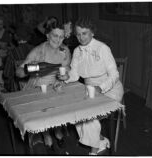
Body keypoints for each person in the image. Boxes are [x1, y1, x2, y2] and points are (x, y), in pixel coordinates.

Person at [58, 17, 124, 155]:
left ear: (92, 33)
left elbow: (114, 75)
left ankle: (94, 150)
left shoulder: (103, 48)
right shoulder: (77, 51)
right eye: (78, 34)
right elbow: (75, 73)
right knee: (77, 111)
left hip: (110, 89)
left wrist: (101, 88)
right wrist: (67, 77)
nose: (81, 37)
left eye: (85, 33)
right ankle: (100, 140)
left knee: (89, 114)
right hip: (89, 90)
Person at [16, 19, 71, 153]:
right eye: (54, 36)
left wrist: (65, 76)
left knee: (63, 105)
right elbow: (18, 72)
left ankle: (57, 132)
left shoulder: (65, 50)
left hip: (56, 86)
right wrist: (32, 69)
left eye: (61, 36)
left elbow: (67, 68)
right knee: (44, 111)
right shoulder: (38, 51)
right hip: (38, 86)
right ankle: (47, 136)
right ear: (47, 35)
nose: (58, 40)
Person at [3, 26, 34, 92]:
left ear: (16, 37)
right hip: (35, 86)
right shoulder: (36, 50)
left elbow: (6, 73)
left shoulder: (13, 53)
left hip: (18, 89)